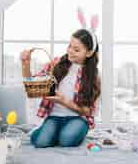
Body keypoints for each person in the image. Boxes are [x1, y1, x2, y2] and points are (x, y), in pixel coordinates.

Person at [21, 9, 101, 148]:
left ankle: (65, 133)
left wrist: (64, 101)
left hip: (78, 118)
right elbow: (32, 87)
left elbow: (88, 111)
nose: (70, 51)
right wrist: (25, 64)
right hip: (54, 116)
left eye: (76, 50)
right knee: (41, 142)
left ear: (89, 53)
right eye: (70, 46)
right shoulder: (57, 63)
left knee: (67, 140)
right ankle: (45, 131)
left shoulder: (93, 76)